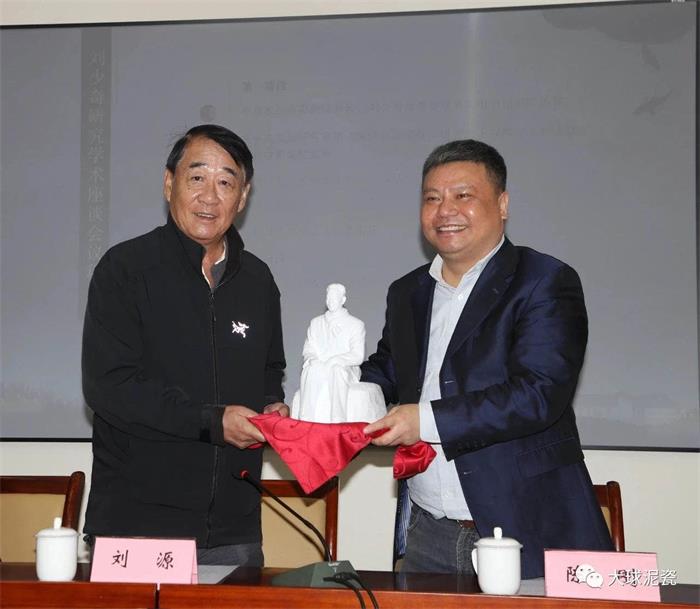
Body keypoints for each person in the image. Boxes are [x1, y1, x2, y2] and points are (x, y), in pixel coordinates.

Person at [361, 140, 613, 579]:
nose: (445, 210)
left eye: (463, 195)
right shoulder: (407, 292)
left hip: (524, 527)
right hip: (426, 532)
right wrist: (330, 394)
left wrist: (425, 421)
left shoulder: (544, 281)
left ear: (502, 204)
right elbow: (387, 371)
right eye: (432, 198)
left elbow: (538, 394)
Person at [82, 124, 288, 567]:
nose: (209, 197)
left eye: (226, 182)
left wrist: (273, 406)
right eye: (197, 177)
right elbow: (110, 387)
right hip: (138, 526)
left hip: (234, 530)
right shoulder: (125, 269)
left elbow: (270, 369)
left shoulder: (258, 280)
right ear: (169, 183)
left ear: (243, 197)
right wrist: (213, 422)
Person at [294, 284, 364, 422]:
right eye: (328, 298)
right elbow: (309, 349)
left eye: (334, 298)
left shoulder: (356, 324)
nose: (330, 301)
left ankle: (338, 418)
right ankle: (306, 418)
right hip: (320, 365)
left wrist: (336, 360)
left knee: (337, 370)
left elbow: (357, 355)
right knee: (311, 370)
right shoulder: (316, 323)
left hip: (345, 367)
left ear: (343, 300)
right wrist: (313, 359)